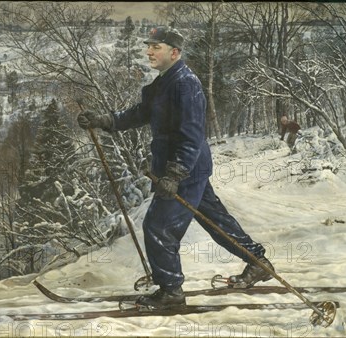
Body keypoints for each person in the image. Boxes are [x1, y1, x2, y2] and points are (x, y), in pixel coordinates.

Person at [77, 27, 274, 309]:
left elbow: (192, 134)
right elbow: (141, 113)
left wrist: (175, 174)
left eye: (156, 47)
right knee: (215, 220)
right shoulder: (165, 82)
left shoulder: (186, 84)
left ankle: (171, 291)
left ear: (174, 52)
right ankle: (257, 262)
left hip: (184, 170)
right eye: (149, 46)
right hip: (187, 168)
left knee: (158, 226)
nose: (149, 52)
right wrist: (105, 120)